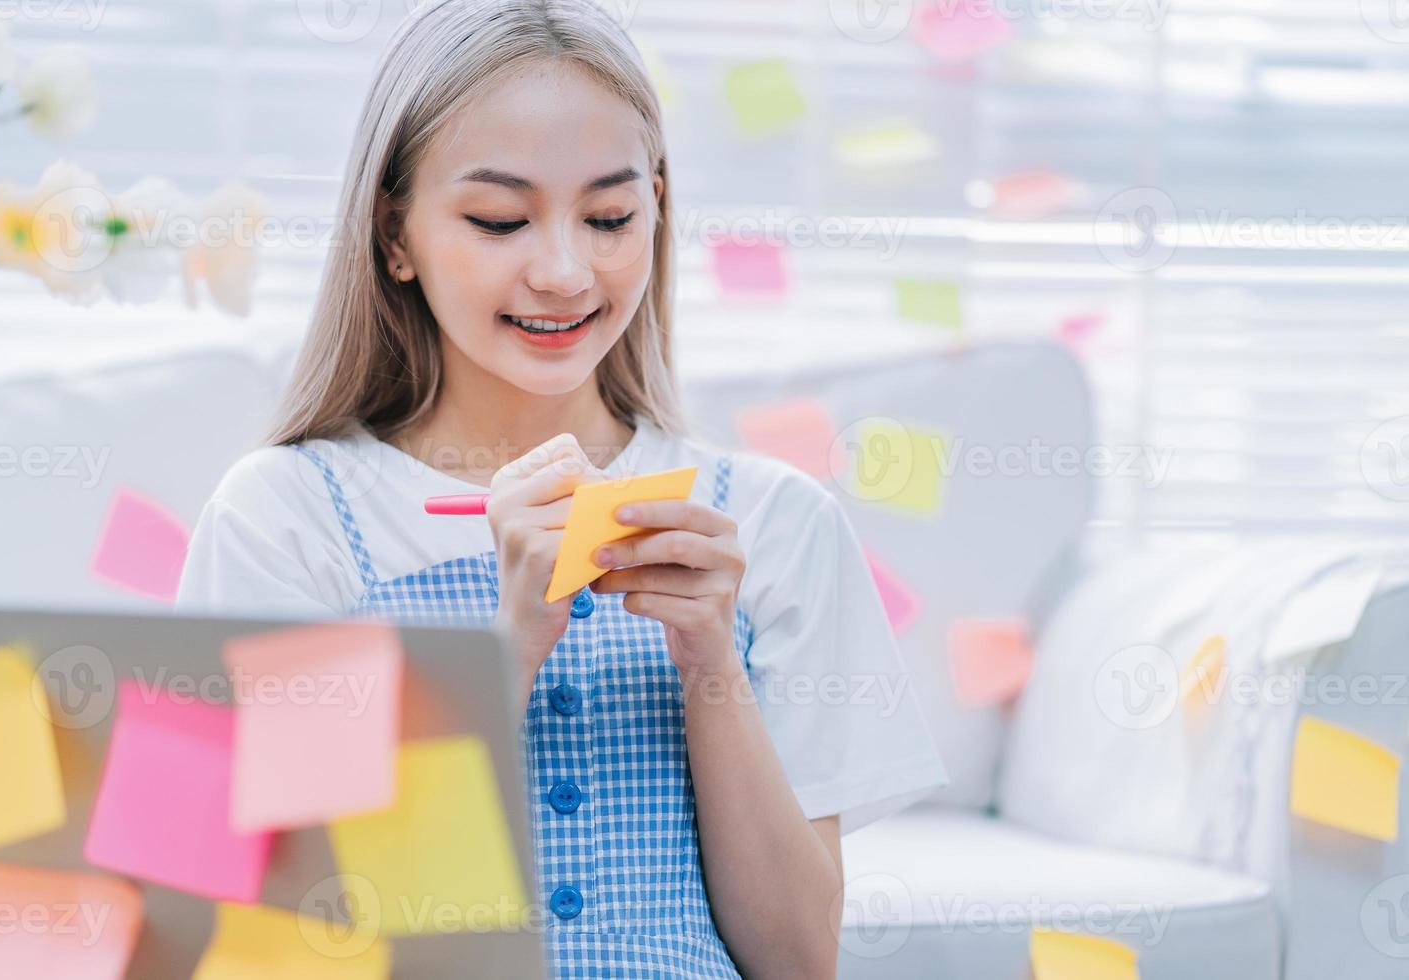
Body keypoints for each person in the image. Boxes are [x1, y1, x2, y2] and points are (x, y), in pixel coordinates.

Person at [176, 2, 946, 976]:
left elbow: (797, 960)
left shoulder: (776, 523)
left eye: (610, 216)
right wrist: (504, 653)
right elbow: (294, 935)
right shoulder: (286, 519)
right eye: (499, 219)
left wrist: (709, 654)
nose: (564, 269)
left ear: (659, 208)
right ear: (394, 233)